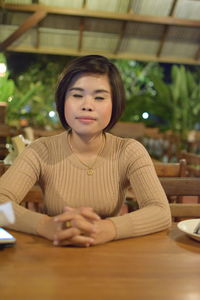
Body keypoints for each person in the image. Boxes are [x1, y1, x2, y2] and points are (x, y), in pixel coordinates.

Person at [0, 55, 171, 247]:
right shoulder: (42, 150)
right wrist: (45, 225)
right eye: (77, 95)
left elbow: (161, 212)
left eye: (99, 97)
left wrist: (108, 229)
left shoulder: (129, 151)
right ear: (63, 101)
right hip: (52, 253)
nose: (87, 105)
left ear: (114, 105)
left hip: (111, 257)